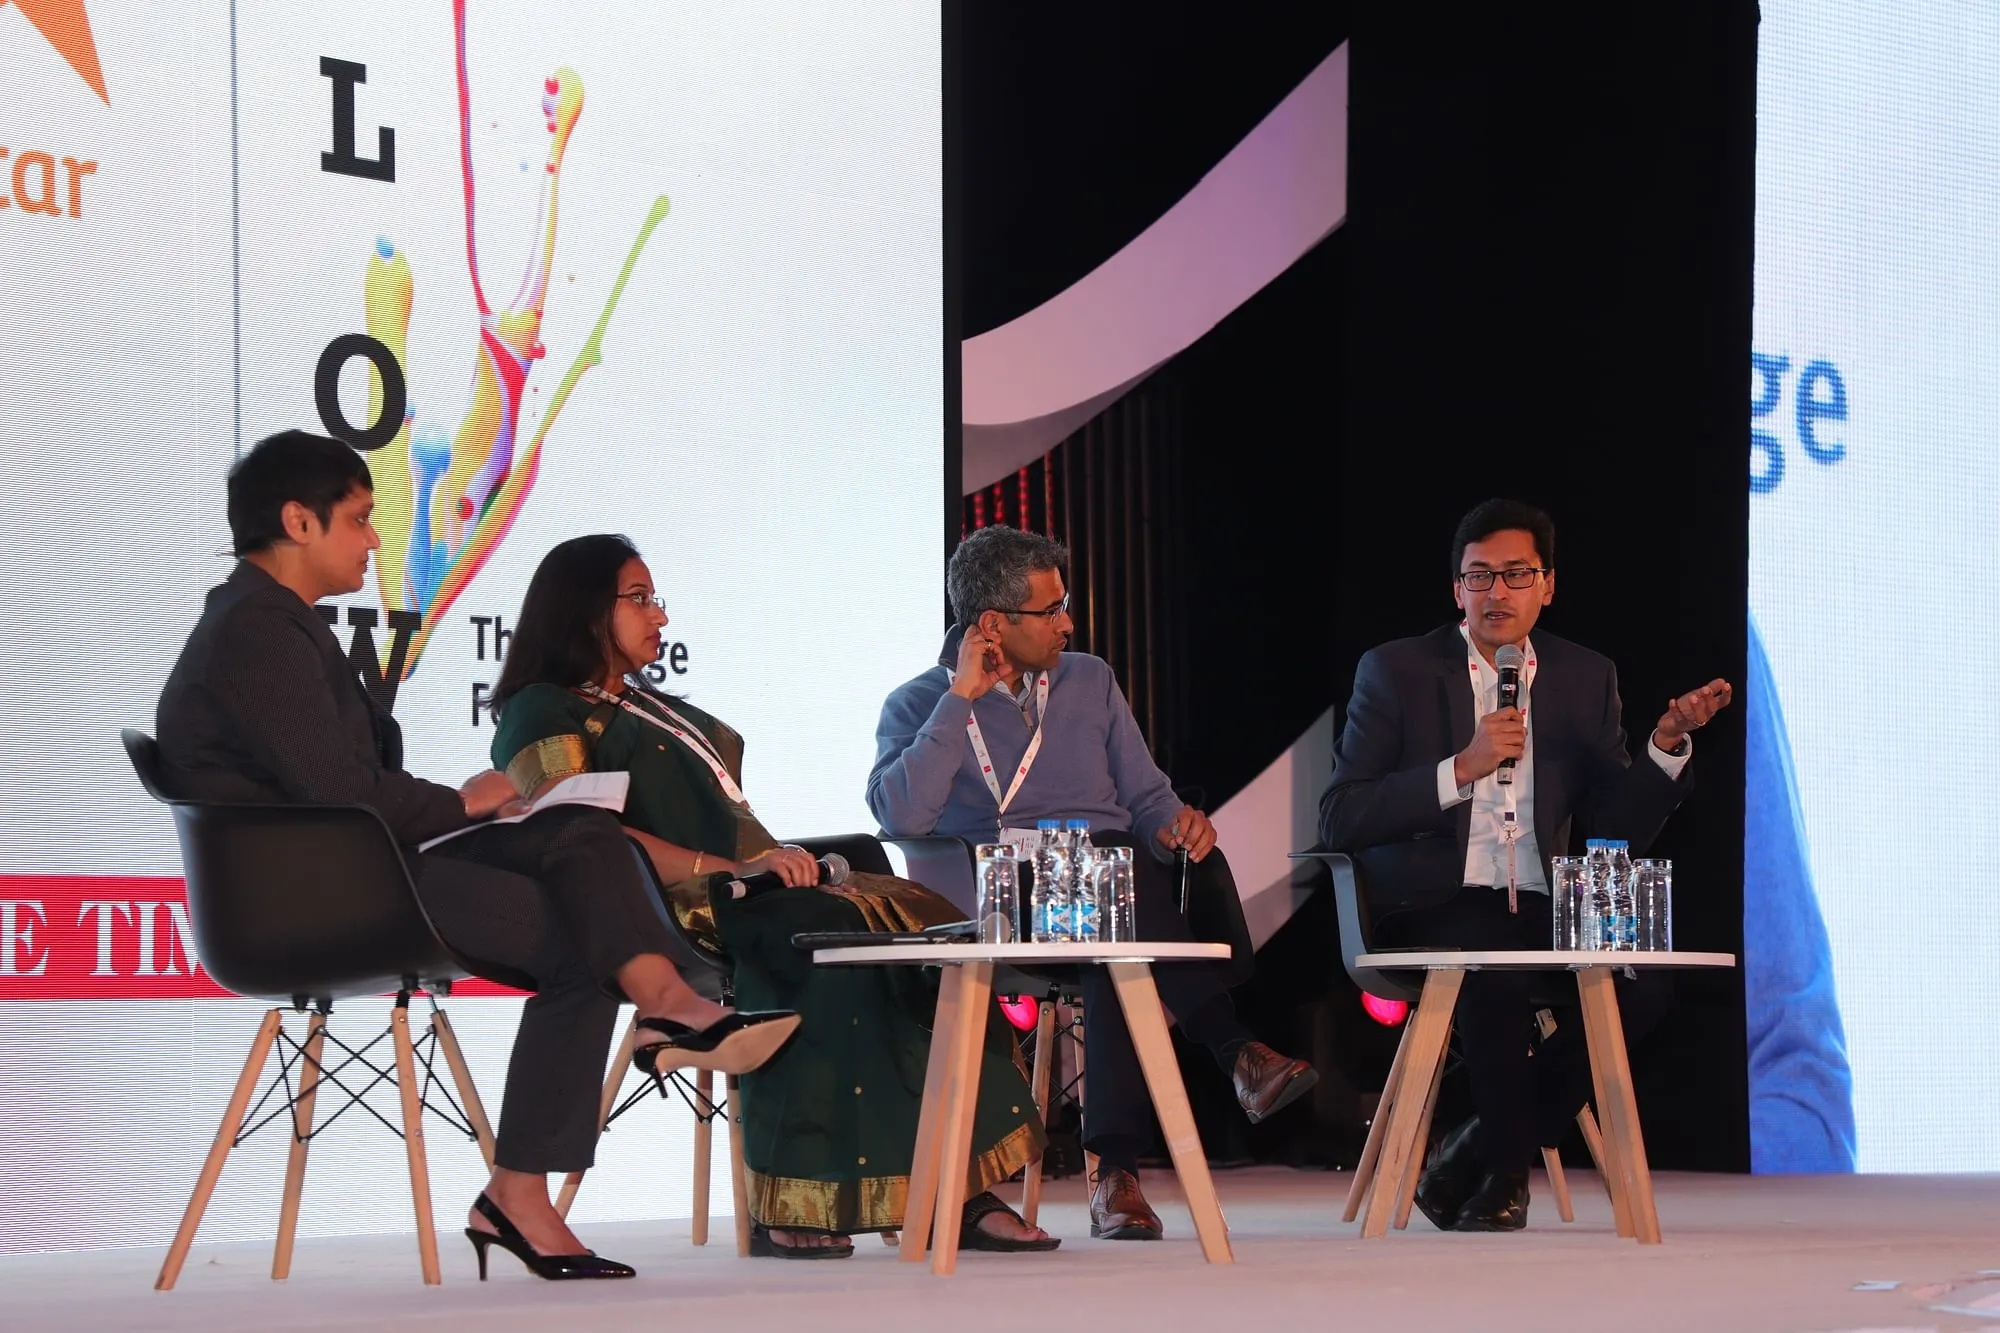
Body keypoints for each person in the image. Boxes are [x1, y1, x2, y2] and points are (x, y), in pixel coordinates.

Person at [154, 432, 797, 1282]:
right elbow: (343, 792)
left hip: (351, 865)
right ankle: (651, 1020)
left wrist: (478, 803)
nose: (376, 540)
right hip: (311, 894)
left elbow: (347, 783)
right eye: (357, 519)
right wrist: (465, 801)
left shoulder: (278, 624)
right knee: (586, 905)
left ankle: (617, 1062)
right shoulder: (255, 633)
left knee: (583, 841)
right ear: (297, 521)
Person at [487, 534, 1058, 1258]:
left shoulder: (652, 708)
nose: (659, 616)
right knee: (819, 937)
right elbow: (584, 841)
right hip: (661, 907)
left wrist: (768, 860)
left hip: (748, 883)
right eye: (639, 598)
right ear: (581, 609)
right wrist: (724, 863)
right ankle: (799, 1197)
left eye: (655, 598)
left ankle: (954, 1184)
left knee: (935, 931)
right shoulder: (541, 709)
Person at [868, 524, 1317, 1241]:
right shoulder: (917, 703)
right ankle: (1232, 1055)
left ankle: (1116, 1171)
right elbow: (902, 813)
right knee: (1115, 893)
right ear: (992, 623)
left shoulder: (1089, 678)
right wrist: (959, 699)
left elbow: (1145, 796)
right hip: (1002, 901)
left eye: (1063, 604)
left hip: (1109, 890)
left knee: (1115, 914)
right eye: (1050, 610)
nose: (1067, 623)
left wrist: (1177, 823)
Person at [1317, 497, 1732, 1231]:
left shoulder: (1583, 675)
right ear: (1457, 591)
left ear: (1548, 584)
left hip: (1544, 903)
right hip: (1432, 900)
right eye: (1480, 577)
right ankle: (1507, 1172)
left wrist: (1666, 743)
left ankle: (1479, 1144)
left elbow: (1616, 823)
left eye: (1515, 575)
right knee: (1492, 966)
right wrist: (1462, 767)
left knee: (1644, 990)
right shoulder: (1397, 671)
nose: (1497, 593)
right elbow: (1342, 813)